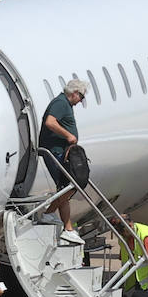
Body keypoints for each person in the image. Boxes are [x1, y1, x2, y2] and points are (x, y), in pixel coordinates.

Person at [39, 79, 87, 244]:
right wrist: (68, 135)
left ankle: (51, 215)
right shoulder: (60, 103)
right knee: (65, 187)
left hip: (61, 152)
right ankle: (67, 228)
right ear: (74, 93)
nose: (81, 100)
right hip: (55, 153)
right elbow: (50, 122)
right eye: (81, 96)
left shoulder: (66, 104)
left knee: (67, 187)